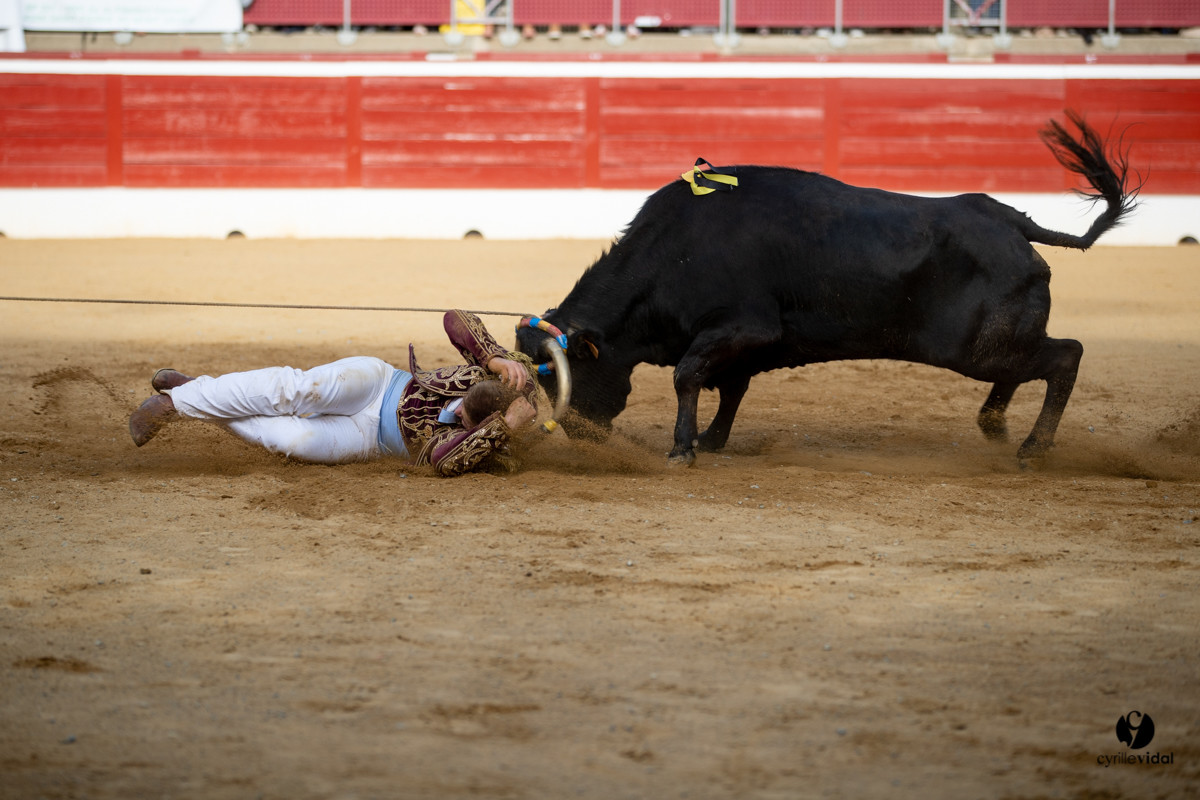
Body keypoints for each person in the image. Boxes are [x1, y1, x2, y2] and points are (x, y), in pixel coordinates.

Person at [128, 310, 539, 476]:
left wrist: (501, 429)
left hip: (371, 441)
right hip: (379, 384)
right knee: (301, 389)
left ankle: (197, 393)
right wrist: (491, 357)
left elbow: (442, 460)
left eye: (468, 421)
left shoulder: (506, 437)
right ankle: (177, 403)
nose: (458, 419)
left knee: (290, 440)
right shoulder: (509, 376)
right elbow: (455, 319)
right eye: (463, 410)